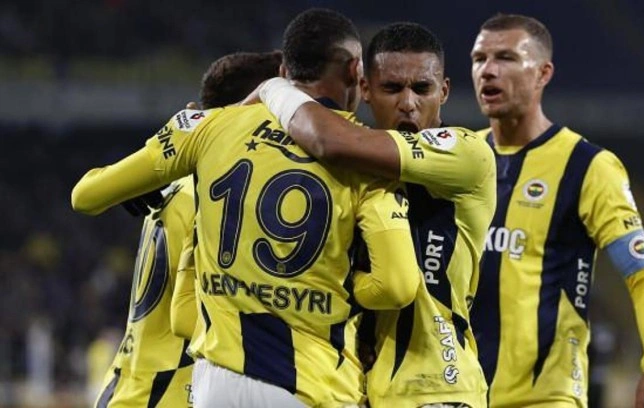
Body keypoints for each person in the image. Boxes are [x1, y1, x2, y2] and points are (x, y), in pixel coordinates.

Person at [72, 8, 420, 407]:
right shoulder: (366, 154)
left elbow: (86, 195)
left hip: (209, 383)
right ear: (356, 70)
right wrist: (339, 286)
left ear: (285, 73)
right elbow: (396, 286)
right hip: (310, 384)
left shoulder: (207, 131)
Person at [254, 22, 497, 408]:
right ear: (365, 89)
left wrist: (273, 88)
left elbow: (329, 138)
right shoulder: (353, 170)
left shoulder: (467, 154)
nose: (408, 103)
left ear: (444, 91)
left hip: (437, 388)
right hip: (357, 389)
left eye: (422, 88)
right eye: (392, 88)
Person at [467, 13, 644, 408]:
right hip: (460, 392)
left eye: (506, 58)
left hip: (545, 396)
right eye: (480, 59)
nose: (488, 70)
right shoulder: (462, 158)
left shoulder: (587, 167)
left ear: (543, 73)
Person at [91, 50, 283, 408]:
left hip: (130, 385)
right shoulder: (224, 193)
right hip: (169, 391)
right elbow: (191, 318)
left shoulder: (182, 183)